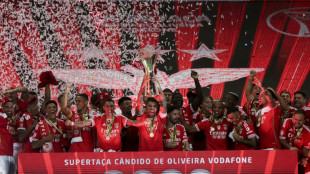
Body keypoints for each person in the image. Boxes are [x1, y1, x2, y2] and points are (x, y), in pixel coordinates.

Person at [66, 98, 147, 152]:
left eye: (111, 106)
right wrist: (72, 123)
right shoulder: (97, 118)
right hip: (102, 154)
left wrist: (145, 122)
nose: (109, 108)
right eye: (107, 106)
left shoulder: (119, 118)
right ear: (104, 107)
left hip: (117, 153)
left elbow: (133, 122)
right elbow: (84, 123)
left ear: (114, 108)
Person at [171, 71, 203, 149]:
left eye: (180, 99)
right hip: (172, 146)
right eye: (176, 98)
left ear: (183, 101)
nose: (178, 100)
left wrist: (196, 80)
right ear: (172, 101)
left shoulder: (187, 110)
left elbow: (200, 97)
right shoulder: (169, 112)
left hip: (188, 146)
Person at [135, 75, 167, 151]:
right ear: (145, 107)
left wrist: (159, 88)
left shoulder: (161, 118)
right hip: (143, 154)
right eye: (149, 106)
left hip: (159, 154)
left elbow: (163, 103)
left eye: (154, 106)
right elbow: (139, 103)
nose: (152, 108)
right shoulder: (141, 117)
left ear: (157, 108)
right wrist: (142, 89)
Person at [61, 84, 96, 152]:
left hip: (89, 149)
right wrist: (66, 92)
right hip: (74, 149)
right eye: (76, 101)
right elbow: (64, 109)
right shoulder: (73, 114)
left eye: (79, 101)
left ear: (86, 102)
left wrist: (72, 123)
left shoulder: (93, 114)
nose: (77, 103)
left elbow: (84, 123)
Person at [0, 98, 17, 174]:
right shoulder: (1, 118)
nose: (10, 109)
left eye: (11, 107)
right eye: (7, 107)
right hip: (1, 155)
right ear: (2, 107)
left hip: (11, 154)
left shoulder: (10, 120)